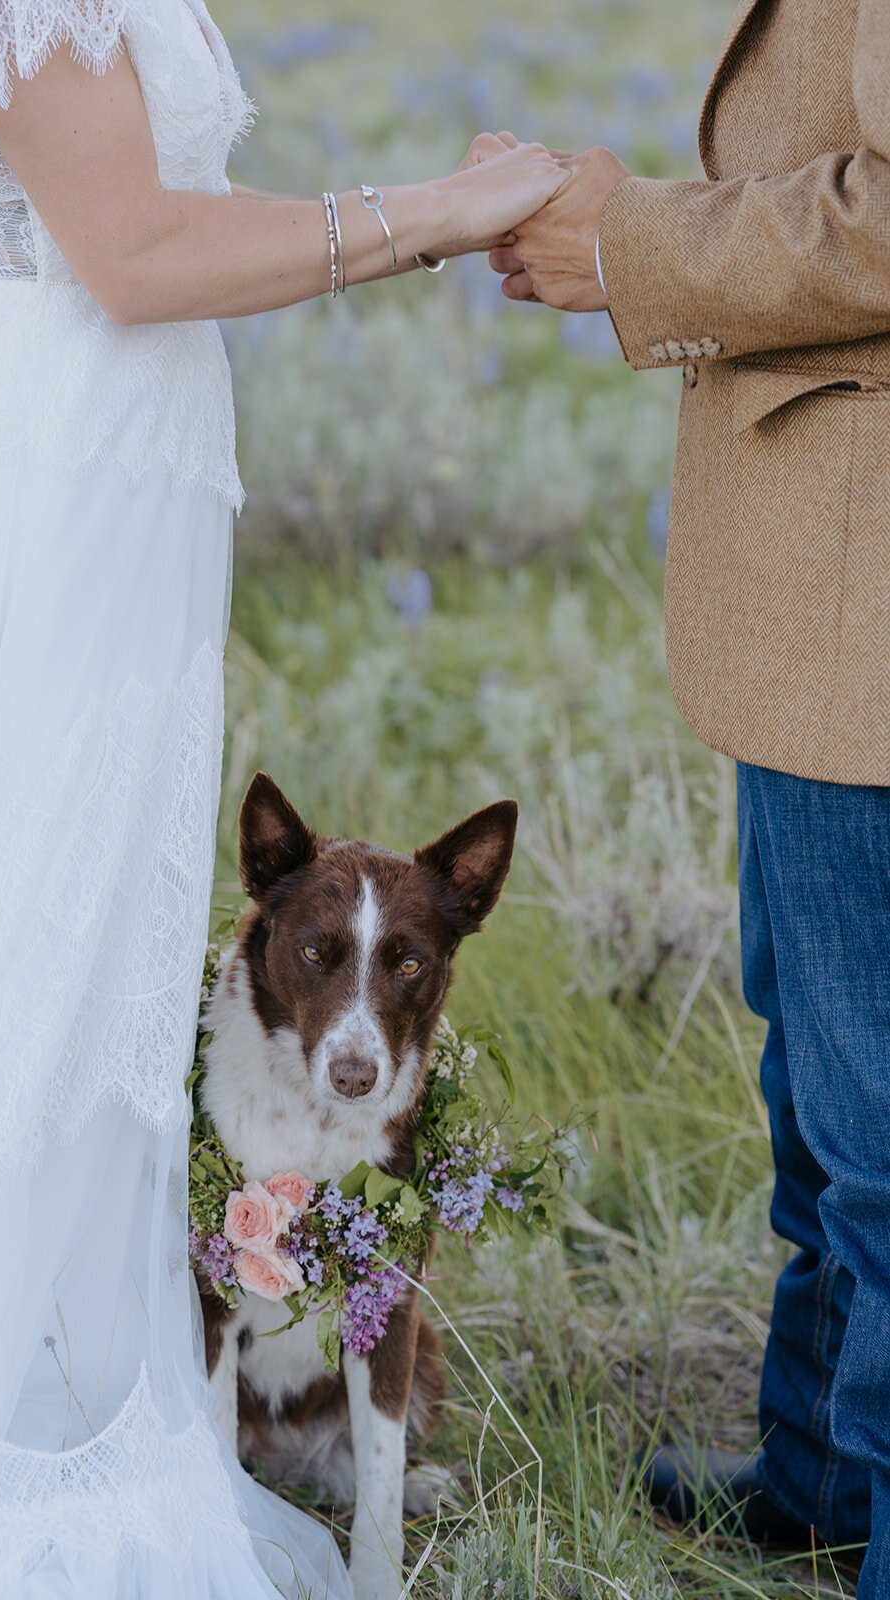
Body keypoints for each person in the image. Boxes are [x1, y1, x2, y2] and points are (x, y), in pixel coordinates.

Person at [0, 0, 569, 1590]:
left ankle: (44, 1367)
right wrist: (435, 214)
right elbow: (135, 252)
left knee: (48, 974)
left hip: (80, 504)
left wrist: (436, 218)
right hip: (40, 528)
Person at [486, 1, 890, 1594]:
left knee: (877, 1134)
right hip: (820, 598)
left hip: (866, 605)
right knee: (819, 1085)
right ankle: (819, 1469)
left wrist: (637, 245)